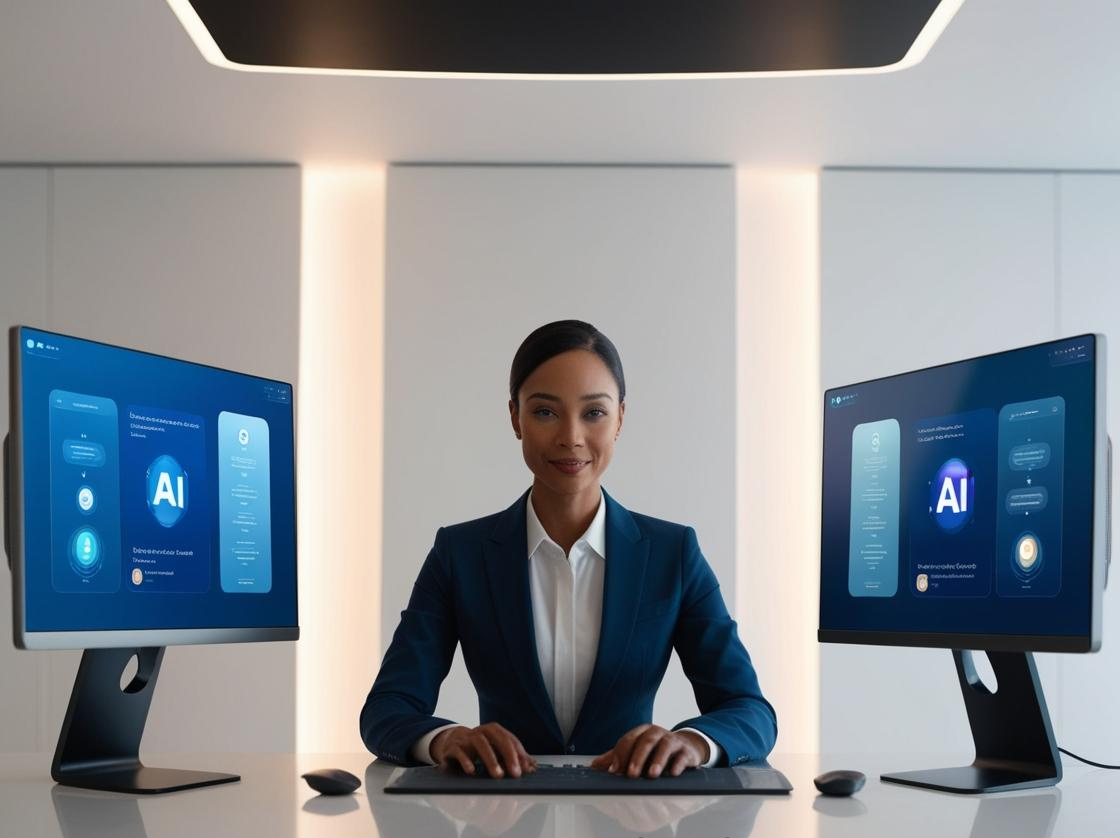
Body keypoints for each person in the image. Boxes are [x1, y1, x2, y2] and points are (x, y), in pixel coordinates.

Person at [360, 320, 777, 779]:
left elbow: (749, 710)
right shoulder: (459, 554)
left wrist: (692, 743)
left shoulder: (672, 553)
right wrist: (445, 740)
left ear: (620, 418)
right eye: (544, 412)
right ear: (515, 418)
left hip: (631, 817)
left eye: (593, 413)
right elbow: (387, 708)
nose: (570, 437)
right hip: (500, 815)